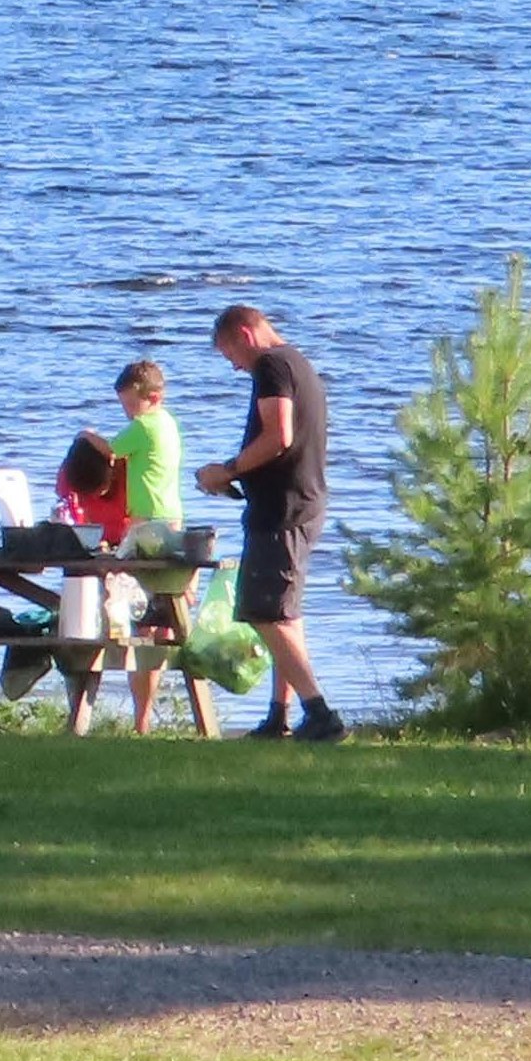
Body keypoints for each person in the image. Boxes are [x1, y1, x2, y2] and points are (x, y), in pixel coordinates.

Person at [193, 301, 344, 739]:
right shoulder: (297, 363)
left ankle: (320, 713)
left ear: (245, 334)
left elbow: (279, 436)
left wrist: (230, 470)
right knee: (284, 614)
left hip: (284, 509)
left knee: (264, 612)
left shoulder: (272, 366)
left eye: (230, 356)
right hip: (299, 502)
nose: (235, 368)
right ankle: (280, 713)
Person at [108, 360, 189, 548]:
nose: (127, 412)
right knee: (165, 564)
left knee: (132, 559)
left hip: (147, 511)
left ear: (153, 398)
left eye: (130, 404)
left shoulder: (143, 425)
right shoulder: (169, 422)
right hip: (172, 510)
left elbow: (111, 450)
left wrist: (86, 436)